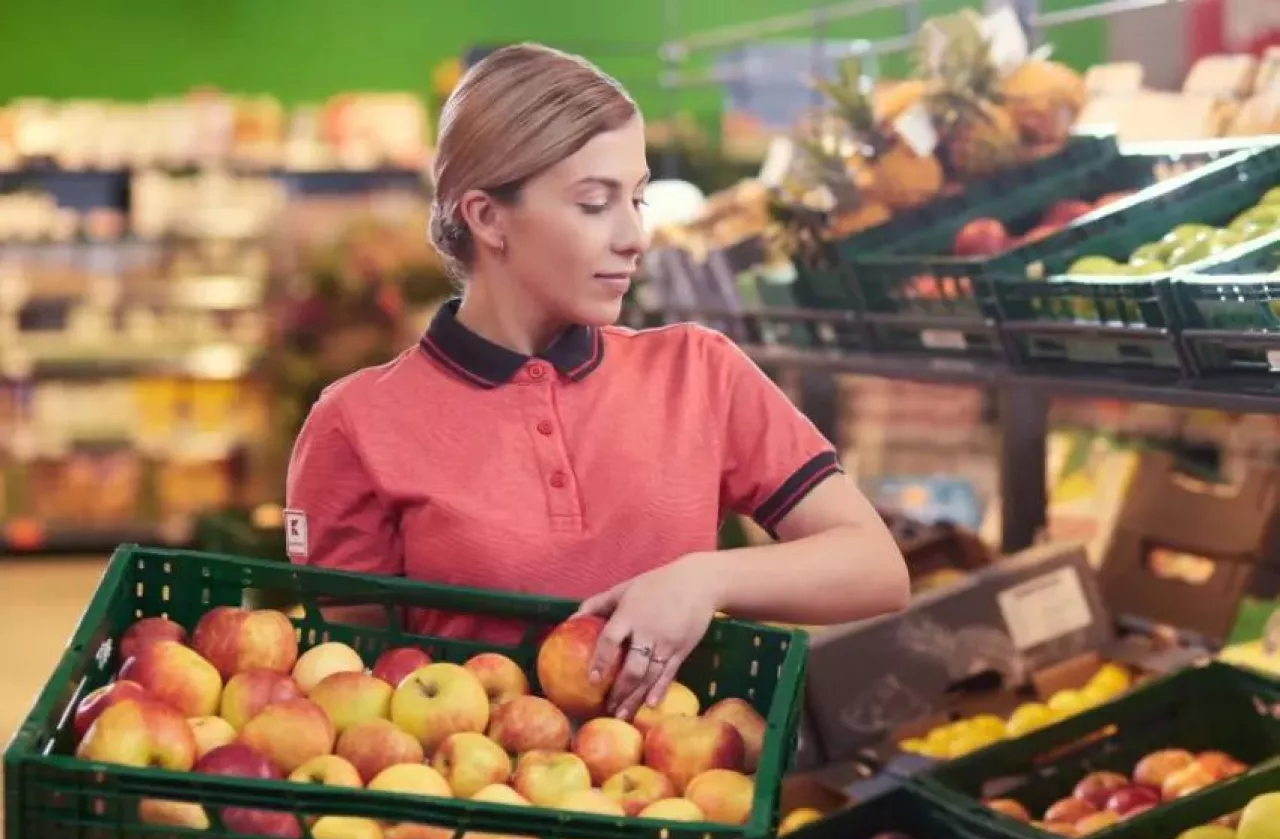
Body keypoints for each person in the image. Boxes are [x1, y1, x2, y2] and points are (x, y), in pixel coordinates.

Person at [285, 43, 909, 722]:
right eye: (594, 203)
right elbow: (358, 690)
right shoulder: (355, 423)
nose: (634, 235)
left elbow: (876, 568)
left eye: (636, 199)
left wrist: (705, 578)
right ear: (487, 217)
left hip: (681, 803)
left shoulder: (700, 372)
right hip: (481, 813)